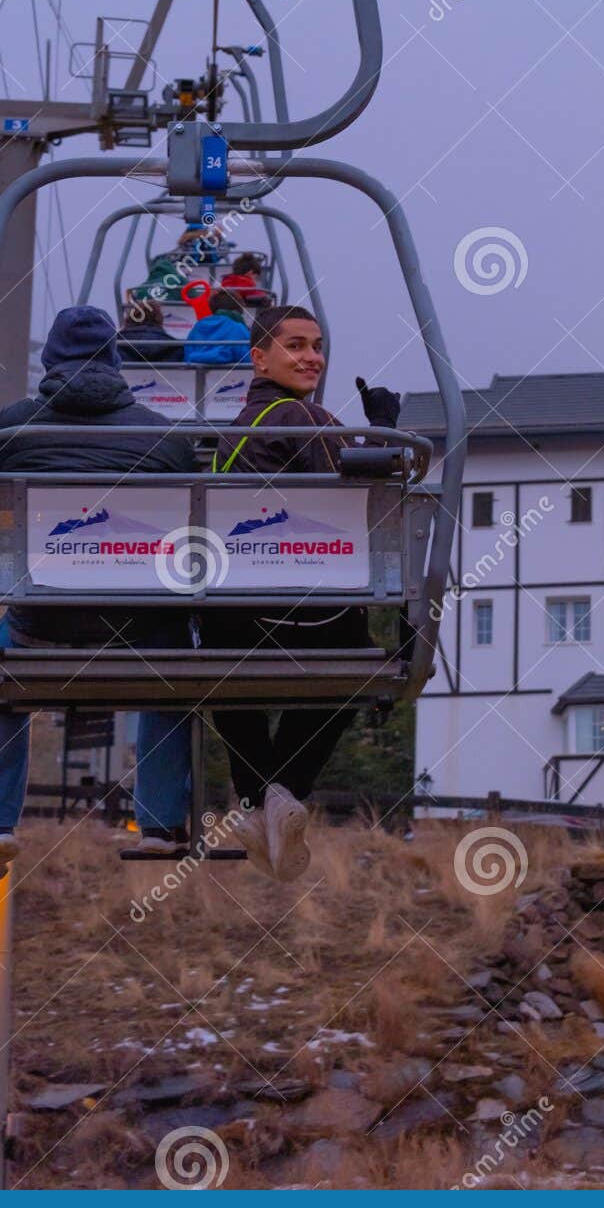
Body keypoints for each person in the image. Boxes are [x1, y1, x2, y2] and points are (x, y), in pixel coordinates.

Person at [0, 306, 198, 884]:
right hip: (139, 626)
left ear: (50, 361)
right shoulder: (163, 438)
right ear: (117, 363)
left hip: (42, 621)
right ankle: (162, 822)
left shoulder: (13, 429)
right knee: (175, 679)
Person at [208, 305, 401, 882]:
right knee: (348, 669)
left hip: (233, 619)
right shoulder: (303, 418)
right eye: (295, 345)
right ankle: (284, 791)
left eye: (317, 345)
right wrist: (382, 431)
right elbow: (362, 501)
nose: (312, 356)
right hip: (308, 616)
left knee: (228, 681)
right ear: (259, 356)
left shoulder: (230, 432)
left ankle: (253, 804)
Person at [183, 289, 252, 366]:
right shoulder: (239, 328)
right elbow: (248, 361)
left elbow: (187, 356)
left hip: (192, 376)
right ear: (238, 310)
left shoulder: (198, 326)